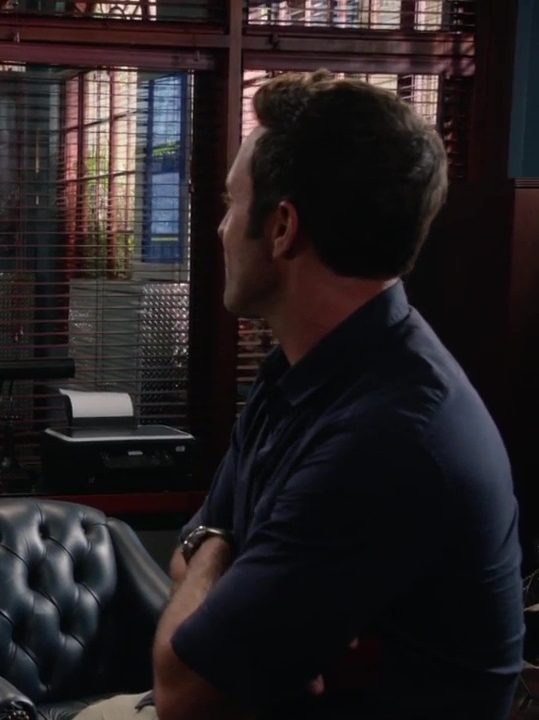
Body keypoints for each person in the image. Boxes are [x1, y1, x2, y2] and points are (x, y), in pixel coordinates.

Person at [75, 71, 524, 719]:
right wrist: (224, 548)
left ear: (282, 227)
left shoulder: (392, 437)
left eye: (231, 204)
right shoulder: (299, 373)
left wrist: (221, 551)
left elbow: (184, 689)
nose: (221, 229)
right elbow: (191, 551)